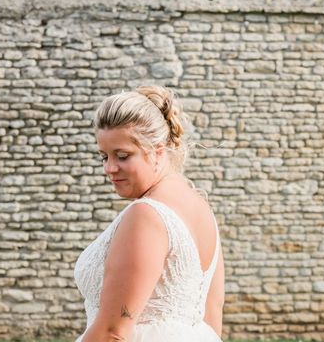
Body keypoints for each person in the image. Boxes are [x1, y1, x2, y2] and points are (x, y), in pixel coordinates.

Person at [73, 85, 225, 342]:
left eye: (122, 156)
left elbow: (112, 333)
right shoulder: (200, 208)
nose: (109, 168)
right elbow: (211, 316)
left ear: (157, 151)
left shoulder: (147, 215)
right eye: (104, 156)